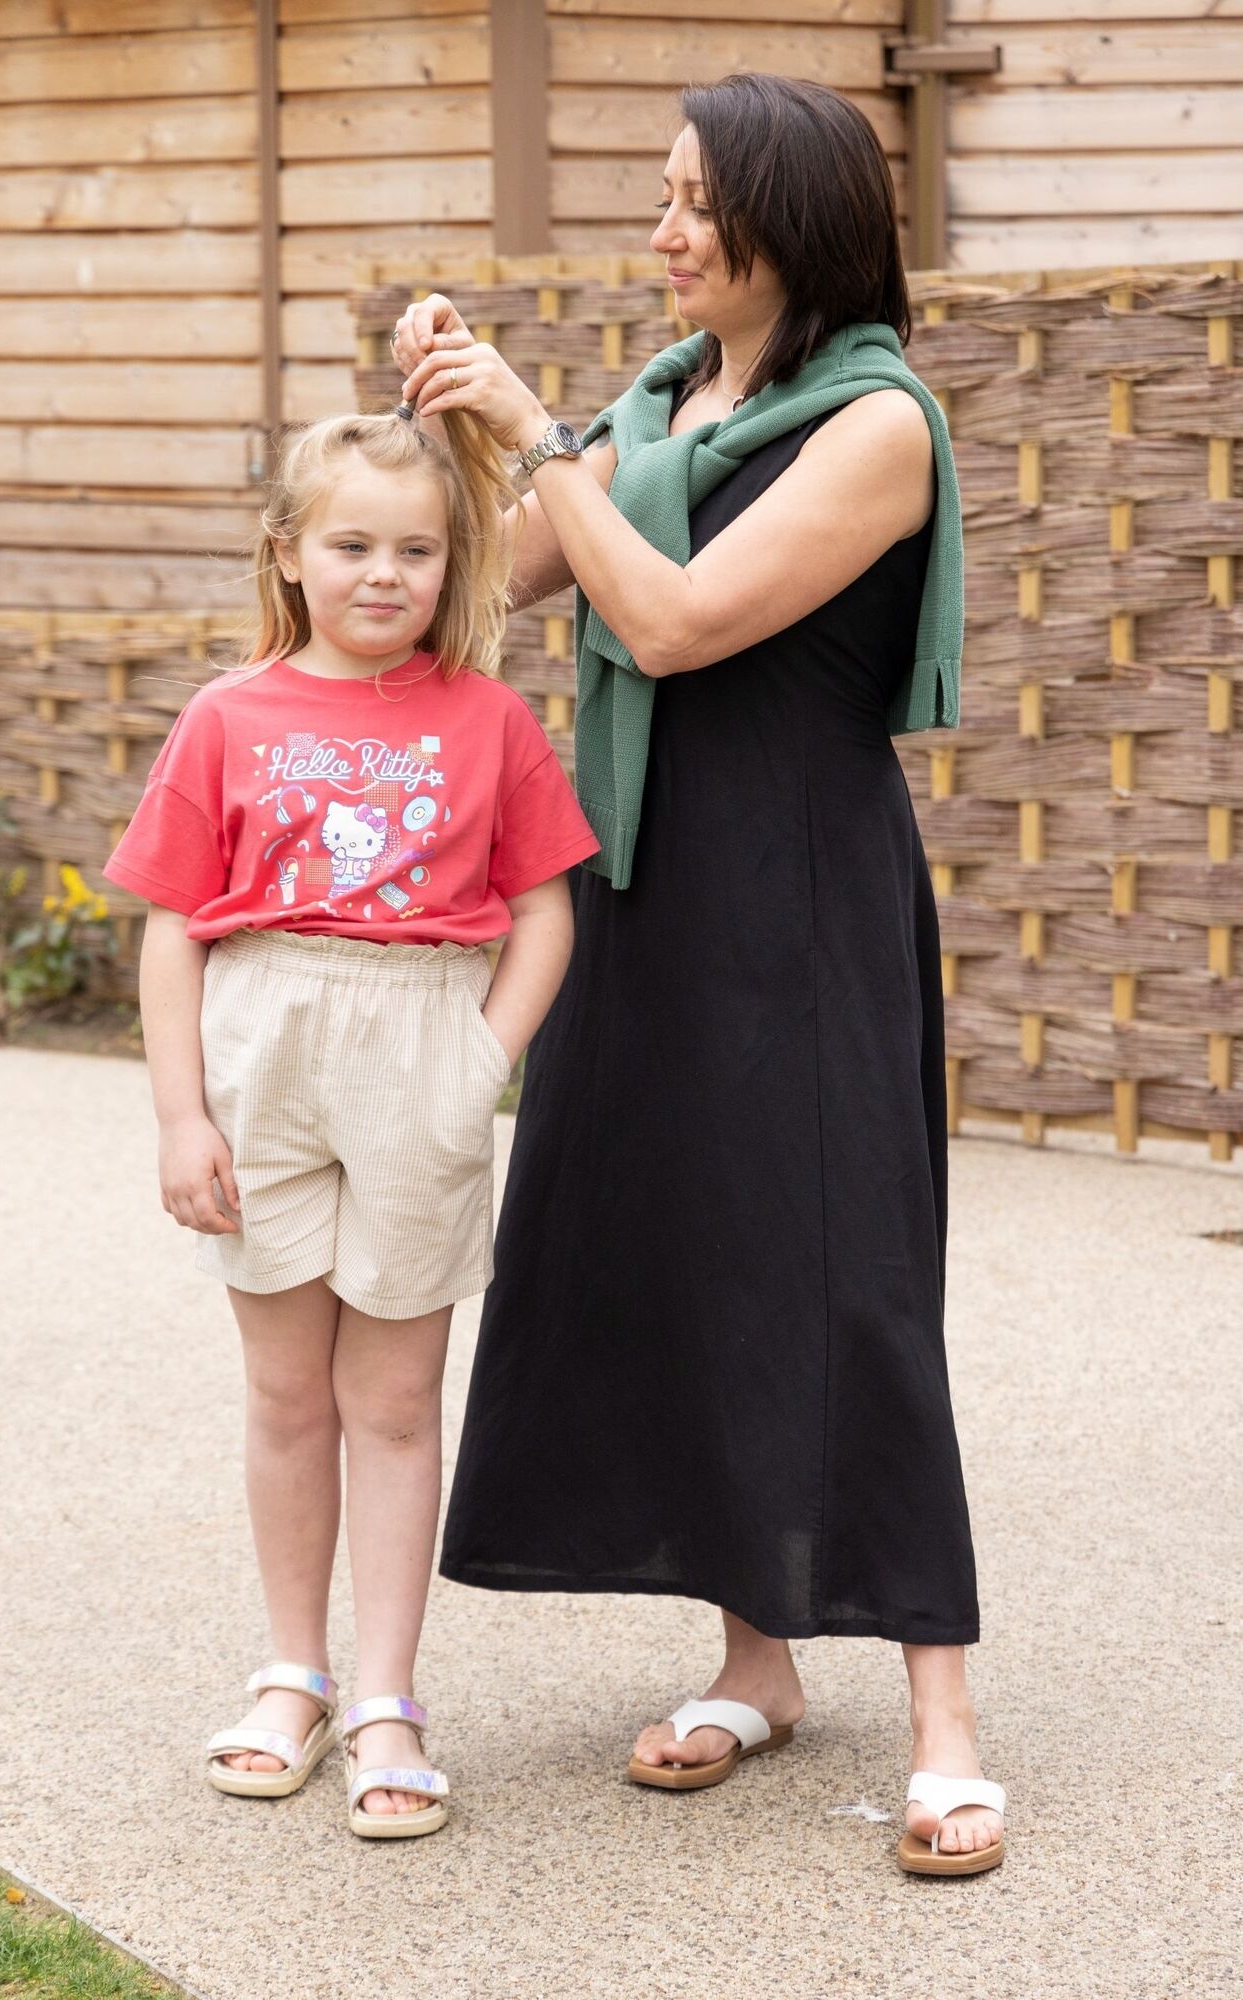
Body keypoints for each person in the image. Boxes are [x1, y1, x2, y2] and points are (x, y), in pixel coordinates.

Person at [392, 72, 1007, 1874]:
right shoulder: (662, 399)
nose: (658, 232)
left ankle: (944, 1721)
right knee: (680, 1258)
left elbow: (660, 621)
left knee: (844, 1277)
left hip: (799, 897)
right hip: (634, 890)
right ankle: (758, 1663)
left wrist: (548, 442)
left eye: (687, 202)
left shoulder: (873, 422)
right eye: (656, 198)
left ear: (783, 219)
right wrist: (458, 417)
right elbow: (501, 581)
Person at [102, 409, 598, 1839]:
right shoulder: (228, 715)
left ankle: (388, 1697)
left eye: (419, 550)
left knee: (389, 1400)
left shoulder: (487, 720)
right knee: (283, 1394)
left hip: (419, 1048)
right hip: (266, 1054)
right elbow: (175, 931)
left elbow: (546, 910)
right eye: (353, 544)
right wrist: (180, 1114)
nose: (386, 573)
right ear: (292, 554)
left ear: (458, 564)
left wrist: (475, 1063)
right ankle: (291, 1676)